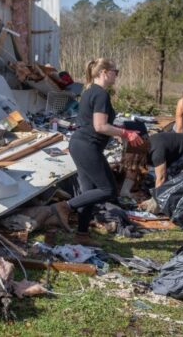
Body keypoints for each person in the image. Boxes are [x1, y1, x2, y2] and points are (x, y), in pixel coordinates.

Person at [52, 59, 143, 246]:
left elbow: (96, 124)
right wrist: (126, 133)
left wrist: (116, 131)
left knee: (90, 192)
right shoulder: (101, 94)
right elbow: (100, 126)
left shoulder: (89, 91)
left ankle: (82, 235)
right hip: (88, 146)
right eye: (115, 71)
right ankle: (64, 207)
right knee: (107, 189)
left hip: (81, 144)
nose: (116, 75)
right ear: (104, 72)